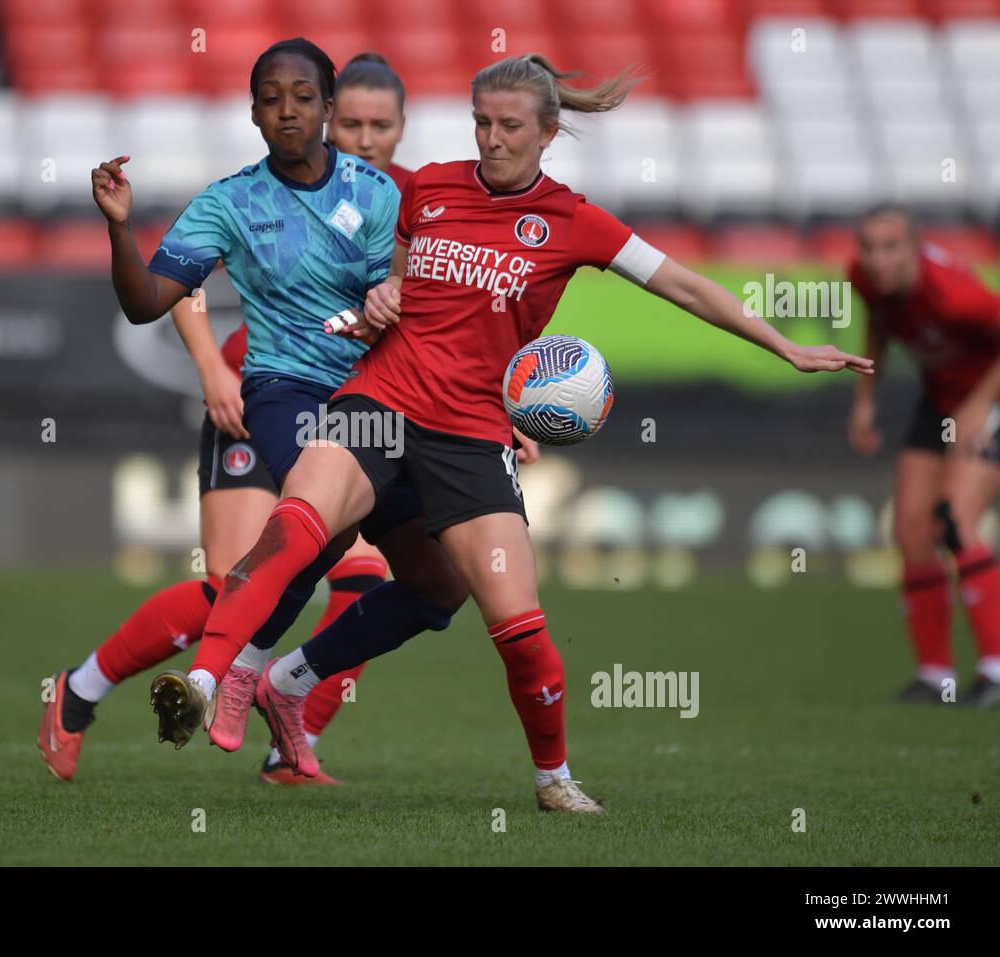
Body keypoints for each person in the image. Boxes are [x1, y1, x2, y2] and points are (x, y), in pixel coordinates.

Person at [151, 53, 873, 813]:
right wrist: (386, 296)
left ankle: (549, 775)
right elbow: (393, 285)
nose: (491, 139)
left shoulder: (574, 220)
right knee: (296, 524)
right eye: (481, 123)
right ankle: (210, 679)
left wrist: (784, 345)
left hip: (468, 434)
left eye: (509, 126)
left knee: (514, 624)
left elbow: (683, 284)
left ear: (549, 132)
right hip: (378, 404)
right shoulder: (427, 189)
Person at [39, 39, 476, 785]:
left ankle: (280, 691)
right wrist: (122, 229)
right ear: (254, 113)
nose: (290, 112)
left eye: (305, 98)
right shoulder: (231, 200)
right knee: (271, 560)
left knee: (434, 585)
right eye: (272, 99)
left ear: (357, 117)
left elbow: (424, 315)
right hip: (270, 393)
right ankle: (130, 686)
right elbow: (150, 300)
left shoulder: (386, 198)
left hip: (375, 402)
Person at [847, 203, 1000, 708]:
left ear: (915, 248)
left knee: (955, 520)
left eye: (891, 247)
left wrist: (978, 407)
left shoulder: (956, 296)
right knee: (912, 530)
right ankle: (937, 677)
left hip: (989, 395)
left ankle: (996, 671)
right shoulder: (864, 279)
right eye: (869, 247)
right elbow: (879, 325)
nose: (877, 259)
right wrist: (866, 401)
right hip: (940, 400)